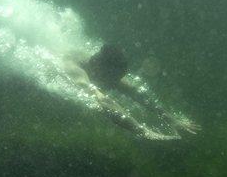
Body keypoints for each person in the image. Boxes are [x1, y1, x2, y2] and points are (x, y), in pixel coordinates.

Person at [63, 44, 200, 141]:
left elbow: (136, 93)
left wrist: (173, 120)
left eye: (118, 78)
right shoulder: (76, 72)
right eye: (112, 78)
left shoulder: (103, 69)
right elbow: (104, 101)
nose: (115, 83)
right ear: (98, 67)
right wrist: (144, 132)